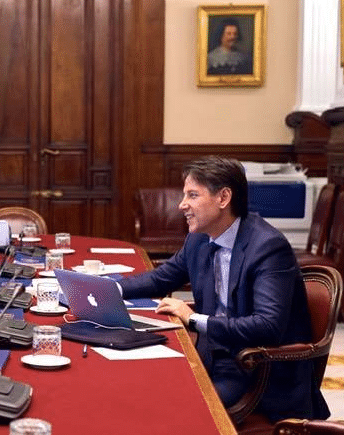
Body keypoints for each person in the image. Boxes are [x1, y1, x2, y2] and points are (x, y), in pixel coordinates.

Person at [118, 156, 329, 423]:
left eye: (193, 195)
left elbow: (268, 326)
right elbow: (161, 279)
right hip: (212, 356)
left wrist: (194, 319)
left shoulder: (267, 247)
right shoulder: (199, 238)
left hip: (255, 370)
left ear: (223, 198)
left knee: (174, 410)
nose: (182, 204)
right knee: (141, 385)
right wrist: (109, 288)